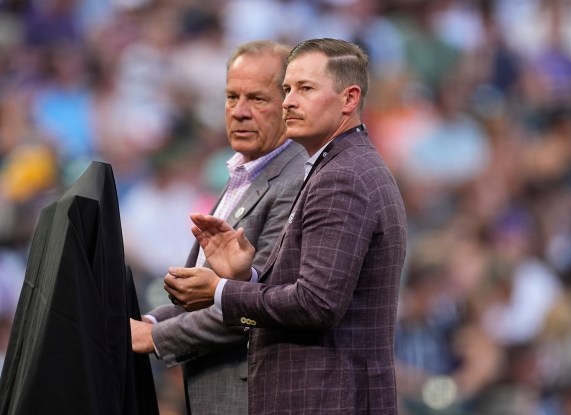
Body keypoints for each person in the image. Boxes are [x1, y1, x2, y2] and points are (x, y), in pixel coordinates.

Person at [164, 38, 408, 414]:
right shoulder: (338, 168)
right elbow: (314, 291)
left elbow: (316, 305)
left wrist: (222, 291)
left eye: (305, 89)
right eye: (286, 89)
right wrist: (249, 275)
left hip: (325, 400)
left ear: (350, 98)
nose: (289, 102)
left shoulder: (341, 177)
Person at [129, 40, 306, 415]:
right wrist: (149, 319)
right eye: (231, 97)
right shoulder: (243, 172)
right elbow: (219, 295)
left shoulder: (296, 180)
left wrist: (155, 336)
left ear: (289, 103)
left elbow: (260, 303)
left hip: (256, 397)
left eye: (257, 99)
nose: (239, 112)